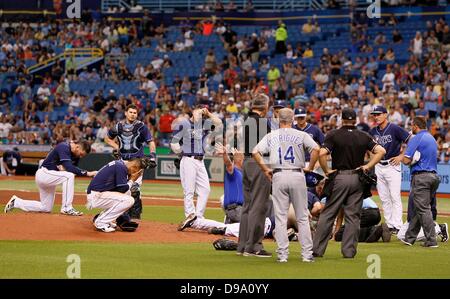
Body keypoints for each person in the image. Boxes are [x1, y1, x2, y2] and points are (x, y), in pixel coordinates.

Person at [313, 108, 386, 258]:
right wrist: (367, 166)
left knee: (328, 214)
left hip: (339, 176)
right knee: (353, 217)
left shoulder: (334, 134)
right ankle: (349, 252)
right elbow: (381, 151)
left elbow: (322, 153)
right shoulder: (363, 135)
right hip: (357, 178)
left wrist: (326, 170)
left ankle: (317, 250)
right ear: (355, 120)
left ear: (342, 119)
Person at [253, 107, 320, 263]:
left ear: (278, 119)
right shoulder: (301, 134)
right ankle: (307, 255)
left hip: (278, 174)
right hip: (297, 174)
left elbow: (255, 151)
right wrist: (310, 167)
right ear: (293, 119)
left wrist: (265, 169)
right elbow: (316, 148)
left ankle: (283, 255)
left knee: (281, 218)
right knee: (303, 217)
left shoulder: (272, 135)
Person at [4, 140, 96, 215]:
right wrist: (88, 173)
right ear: (77, 147)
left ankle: (16, 202)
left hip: (49, 177)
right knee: (69, 176)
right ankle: (67, 207)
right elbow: (70, 168)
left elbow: (67, 167)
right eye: (81, 154)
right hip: (44, 174)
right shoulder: (64, 147)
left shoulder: (71, 152)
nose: (80, 156)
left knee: (46, 208)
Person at [170, 106, 222, 231]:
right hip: (188, 159)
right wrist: (181, 153)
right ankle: (190, 215)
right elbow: (174, 142)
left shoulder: (205, 124)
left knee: (205, 189)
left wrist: (208, 113)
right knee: (189, 190)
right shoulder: (184, 124)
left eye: (202, 113)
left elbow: (219, 123)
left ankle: (198, 216)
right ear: (193, 112)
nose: (200, 114)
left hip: (200, 161)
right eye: (198, 111)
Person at [105, 104, 157, 220]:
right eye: (131, 112)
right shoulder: (118, 126)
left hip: (137, 162)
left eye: (135, 113)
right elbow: (107, 138)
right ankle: (121, 216)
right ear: (125, 113)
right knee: (121, 189)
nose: (133, 114)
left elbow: (151, 142)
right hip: (122, 162)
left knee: (134, 189)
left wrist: (153, 156)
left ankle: (135, 217)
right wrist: (116, 147)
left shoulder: (141, 126)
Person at [237, 93, 272, 257]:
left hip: (247, 163)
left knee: (247, 206)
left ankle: (242, 245)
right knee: (259, 206)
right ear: (264, 107)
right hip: (260, 163)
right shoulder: (263, 123)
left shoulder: (245, 120)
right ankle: (254, 246)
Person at [369, 105, 411, 234]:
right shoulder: (372, 131)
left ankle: (397, 225)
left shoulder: (394, 128)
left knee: (394, 196)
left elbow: (410, 140)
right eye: (374, 115)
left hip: (392, 165)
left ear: (385, 115)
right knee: (384, 197)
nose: (376, 117)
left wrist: (402, 156)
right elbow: (370, 148)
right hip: (379, 166)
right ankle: (389, 224)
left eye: (379, 114)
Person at [400, 116, 441, 248]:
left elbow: (406, 160)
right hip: (434, 176)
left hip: (421, 176)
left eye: (412, 125)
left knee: (423, 209)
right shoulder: (431, 138)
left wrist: (403, 159)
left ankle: (431, 240)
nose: (411, 128)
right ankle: (410, 238)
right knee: (420, 207)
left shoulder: (416, 138)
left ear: (415, 126)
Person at [86, 158, 146, 232]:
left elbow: (121, 189)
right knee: (129, 200)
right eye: (136, 171)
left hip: (98, 194)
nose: (134, 173)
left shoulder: (119, 164)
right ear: (134, 167)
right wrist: (132, 180)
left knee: (127, 193)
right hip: (96, 196)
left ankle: (105, 218)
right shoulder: (121, 167)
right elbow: (122, 189)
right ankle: (101, 222)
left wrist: (130, 180)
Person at [217, 143, 244, 224]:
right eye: (243, 158)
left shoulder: (241, 173)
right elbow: (228, 164)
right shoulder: (234, 172)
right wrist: (225, 154)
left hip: (237, 209)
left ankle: (227, 223)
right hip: (236, 210)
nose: (244, 160)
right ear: (239, 160)